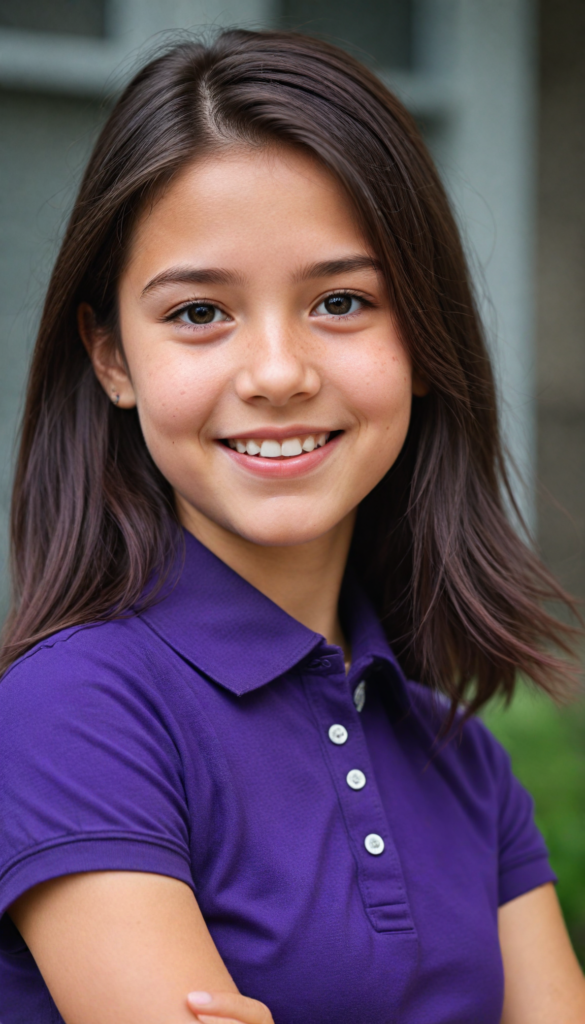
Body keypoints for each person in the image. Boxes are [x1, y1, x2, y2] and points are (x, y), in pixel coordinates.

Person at [0, 28, 583, 1024]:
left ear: (425, 336)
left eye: (342, 301)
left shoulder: (463, 756)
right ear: (112, 358)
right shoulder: (73, 712)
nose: (276, 372)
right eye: (198, 314)